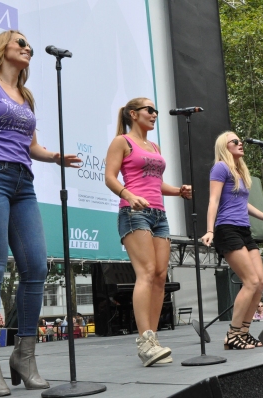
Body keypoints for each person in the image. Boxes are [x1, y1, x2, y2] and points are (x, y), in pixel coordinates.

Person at [0, 30, 80, 394]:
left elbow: (32, 146)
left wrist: (55, 156)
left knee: (36, 267)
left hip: (24, 183)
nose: (27, 48)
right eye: (21, 43)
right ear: (2, 48)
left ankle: (25, 355)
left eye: (29, 46)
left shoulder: (26, 97)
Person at [105, 97, 192, 366]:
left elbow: (156, 184)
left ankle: (152, 340)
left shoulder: (154, 145)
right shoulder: (123, 141)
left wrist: (178, 191)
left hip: (159, 214)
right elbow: (110, 177)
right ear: (134, 114)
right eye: (149, 110)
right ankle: (144, 340)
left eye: (155, 110)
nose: (155, 114)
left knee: (160, 275)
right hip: (134, 213)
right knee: (146, 271)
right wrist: (129, 196)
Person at [201, 132, 263, 349]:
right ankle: (233, 333)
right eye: (234, 141)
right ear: (224, 147)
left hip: (244, 230)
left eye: (240, 141)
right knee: (251, 281)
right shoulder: (220, 168)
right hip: (227, 229)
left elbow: (242, 203)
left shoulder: (239, 171)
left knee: (261, 282)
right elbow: (214, 199)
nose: (240, 144)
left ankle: (243, 333)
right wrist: (210, 230)